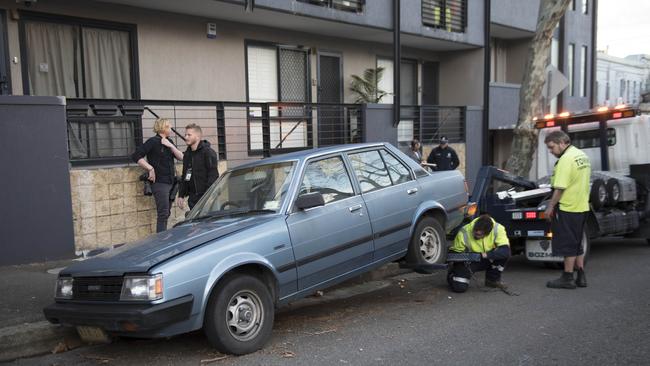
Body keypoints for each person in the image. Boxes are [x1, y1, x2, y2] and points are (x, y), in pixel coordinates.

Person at [544, 130, 591, 289]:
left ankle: (568, 277)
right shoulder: (581, 155)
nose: (551, 151)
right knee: (577, 242)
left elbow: (560, 188)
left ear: (562, 143)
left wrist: (550, 207)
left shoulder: (566, 159)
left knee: (568, 243)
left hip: (568, 207)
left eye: (552, 147)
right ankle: (581, 275)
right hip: (582, 205)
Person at [132, 118, 184, 233]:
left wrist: (170, 146)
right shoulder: (153, 141)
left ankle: (163, 237)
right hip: (160, 183)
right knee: (163, 213)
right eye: (169, 126)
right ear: (163, 127)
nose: (171, 129)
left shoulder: (169, 141)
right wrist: (150, 168)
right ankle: (161, 240)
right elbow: (136, 156)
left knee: (166, 213)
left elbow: (182, 157)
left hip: (171, 182)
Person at [447, 214, 511, 293]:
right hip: (469, 261)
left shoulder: (498, 229)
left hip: (486, 258)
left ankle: (492, 280)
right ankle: (452, 275)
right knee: (459, 288)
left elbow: (505, 251)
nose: (475, 235)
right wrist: (462, 260)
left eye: (479, 235)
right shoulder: (464, 231)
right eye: (475, 232)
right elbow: (453, 253)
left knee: (502, 256)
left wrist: (483, 255)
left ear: (487, 234)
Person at [177, 124, 220, 210]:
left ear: (197, 136)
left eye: (189, 135)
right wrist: (181, 195)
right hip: (193, 199)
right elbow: (186, 175)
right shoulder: (187, 155)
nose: (186, 137)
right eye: (185, 134)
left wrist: (208, 196)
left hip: (208, 198)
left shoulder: (208, 152)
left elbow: (213, 175)